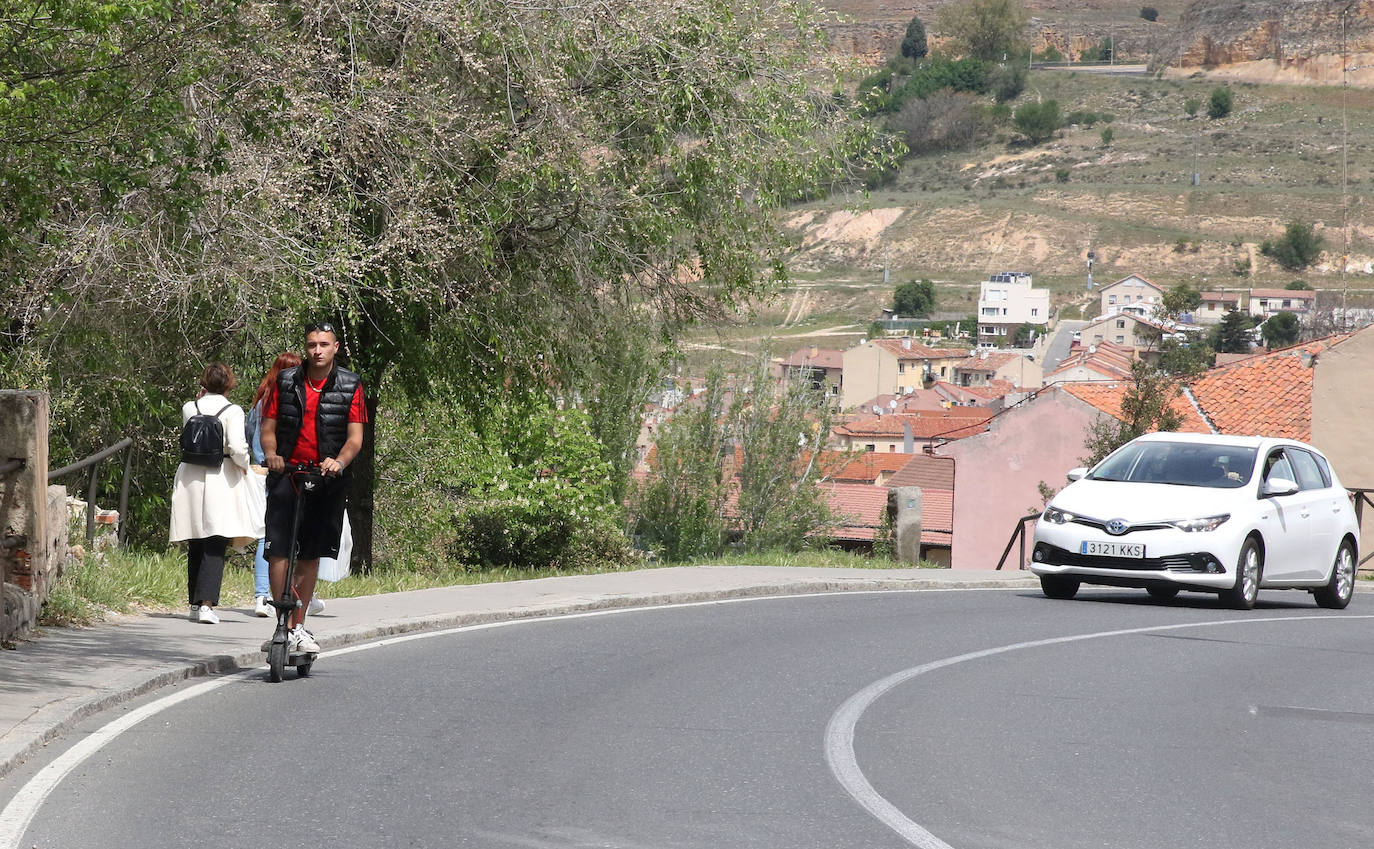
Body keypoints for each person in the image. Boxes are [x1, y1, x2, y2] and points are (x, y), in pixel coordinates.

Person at [260, 322, 367, 653]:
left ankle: (299, 625)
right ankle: (282, 621)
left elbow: (354, 439)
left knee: (310, 552)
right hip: (287, 474)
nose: (317, 350)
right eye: (311, 345)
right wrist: (272, 454)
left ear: (335, 348)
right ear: (305, 348)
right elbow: (268, 428)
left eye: (323, 344)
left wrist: (339, 462)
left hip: (326, 480)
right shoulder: (285, 381)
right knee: (278, 548)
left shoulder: (351, 385)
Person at [169, 363, 264, 624]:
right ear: (229, 384)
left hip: (190, 475)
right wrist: (245, 466)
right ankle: (207, 605)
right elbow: (236, 446)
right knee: (216, 539)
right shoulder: (232, 410)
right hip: (220, 475)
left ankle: (193, 603)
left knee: (196, 539)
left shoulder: (190, 407)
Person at [245, 351, 302, 617]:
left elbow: (248, 435)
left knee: (265, 535)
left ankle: (261, 595)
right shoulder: (284, 402)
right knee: (288, 536)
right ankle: (287, 593)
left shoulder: (259, 402)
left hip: (257, 473)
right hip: (280, 473)